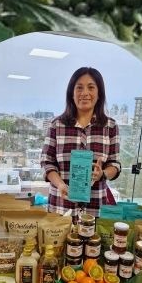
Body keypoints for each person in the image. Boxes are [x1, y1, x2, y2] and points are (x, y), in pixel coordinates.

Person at [40, 66, 121, 214]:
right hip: (61, 206)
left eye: (91, 87)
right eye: (79, 88)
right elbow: (47, 162)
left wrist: (102, 174)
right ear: (72, 93)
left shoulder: (110, 126)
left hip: (95, 208)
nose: (85, 93)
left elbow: (114, 164)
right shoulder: (56, 125)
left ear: (99, 94)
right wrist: (60, 185)